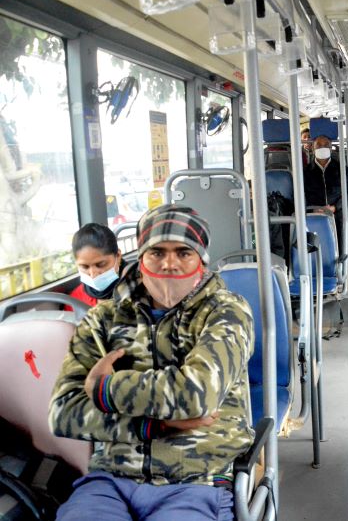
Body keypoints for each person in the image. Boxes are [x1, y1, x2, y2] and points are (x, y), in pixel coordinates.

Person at [49, 204, 254, 521]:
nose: (169, 263)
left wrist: (105, 389)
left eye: (183, 252)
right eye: (157, 252)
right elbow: (64, 412)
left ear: (201, 261)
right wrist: (153, 426)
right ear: (140, 258)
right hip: (112, 477)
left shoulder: (225, 311)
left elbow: (197, 395)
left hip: (195, 477)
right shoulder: (103, 319)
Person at [303, 135, 348, 252]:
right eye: (319, 145)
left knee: (341, 223)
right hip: (313, 211)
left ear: (331, 149)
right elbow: (301, 195)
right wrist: (312, 209)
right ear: (312, 149)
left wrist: (335, 207)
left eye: (326, 145)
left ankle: (341, 256)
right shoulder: (306, 171)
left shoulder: (341, 169)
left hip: (337, 210)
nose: (322, 148)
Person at [69, 223, 122, 307]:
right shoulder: (76, 299)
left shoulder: (137, 288)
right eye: (85, 267)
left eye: (101, 264)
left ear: (118, 256)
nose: (93, 275)